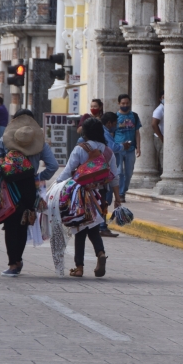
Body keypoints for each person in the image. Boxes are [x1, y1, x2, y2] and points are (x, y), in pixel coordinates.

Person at [0, 109, 58, 277]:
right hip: (29, 188)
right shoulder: (41, 143)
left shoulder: (4, 141)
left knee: (10, 225)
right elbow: (53, 165)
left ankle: (14, 263)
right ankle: (17, 260)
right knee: (23, 223)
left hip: (9, 187)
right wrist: (38, 177)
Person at [57, 117, 121, 277]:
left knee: (80, 227)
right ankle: (100, 253)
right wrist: (118, 198)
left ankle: (79, 267)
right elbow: (115, 177)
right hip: (100, 195)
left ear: (85, 132)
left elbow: (68, 171)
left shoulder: (80, 149)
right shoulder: (108, 152)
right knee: (93, 226)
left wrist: (57, 186)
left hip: (81, 194)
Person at [99, 112, 131, 237]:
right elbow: (112, 147)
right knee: (105, 200)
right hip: (105, 172)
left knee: (103, 199)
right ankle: (102, 226)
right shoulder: (105, 134)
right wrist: (123, 146)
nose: (115, 126)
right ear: (109, 123)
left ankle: (101, 226)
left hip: (101, 172)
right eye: (114, 123)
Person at [114, 94, 141, 202]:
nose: (125, 105)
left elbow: (137, 132)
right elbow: (112, 133)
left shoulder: (134, 116)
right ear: (119, 104)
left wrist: (138, 147)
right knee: (119, 171)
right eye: (123, 103)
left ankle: (124, 191)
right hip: (119, 148)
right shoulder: (115, 117)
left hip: (130, 149)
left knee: (129, 173)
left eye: (127, 103)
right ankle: (120, 194)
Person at [152, 92, 164, 173]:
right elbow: (154, 124)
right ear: (160, 98)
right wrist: (161, 137)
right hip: (160, 137)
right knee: (163, 158)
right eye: (164, 97)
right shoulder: (159, 109)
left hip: (164, 137)